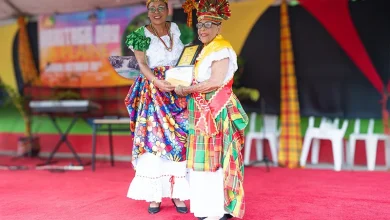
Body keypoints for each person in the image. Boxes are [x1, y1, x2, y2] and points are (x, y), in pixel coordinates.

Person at [176, 0, 248, 219]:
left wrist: (187, 89)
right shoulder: (206, 50)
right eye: (200, 25)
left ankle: (218, 209)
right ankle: (205, 208)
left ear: (219, 26)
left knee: (216, 159)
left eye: (208, 25)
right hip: (201, 110)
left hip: (217, 111)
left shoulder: (221, 49)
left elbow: (216, 81)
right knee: (202, 159)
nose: (202, 29)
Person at [124, 0, 189, 214]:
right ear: (147, 11)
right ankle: (154, 196)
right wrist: (157, 81)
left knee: (179, 143)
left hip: (177, 90)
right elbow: (142, 65)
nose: (157, 12)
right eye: (152, 8)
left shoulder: (177, 28)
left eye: (161, 7)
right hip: (154, 91)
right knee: (153, 143)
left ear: (168, 9)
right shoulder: (140, 34)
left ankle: (178, 194)